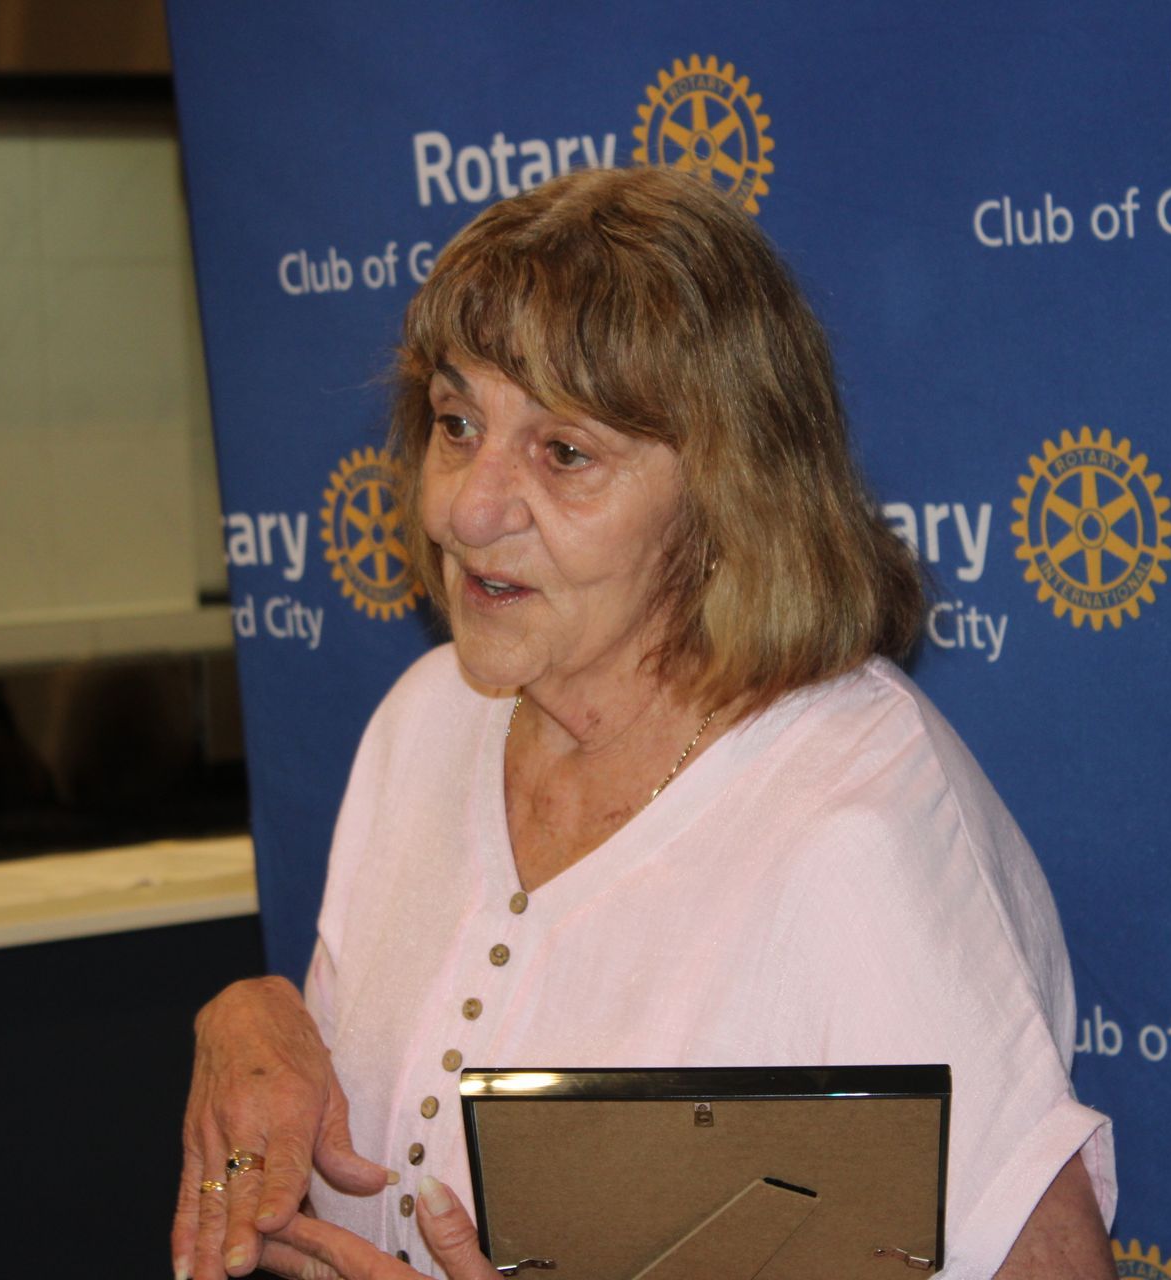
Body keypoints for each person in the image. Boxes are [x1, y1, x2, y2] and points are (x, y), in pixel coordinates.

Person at [172, 165, 1117, 1280]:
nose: (467, 507)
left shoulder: (856, 827)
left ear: (729, 492)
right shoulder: (424, 722)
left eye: (565, 453)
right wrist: (256, 1016)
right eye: (457, 422)